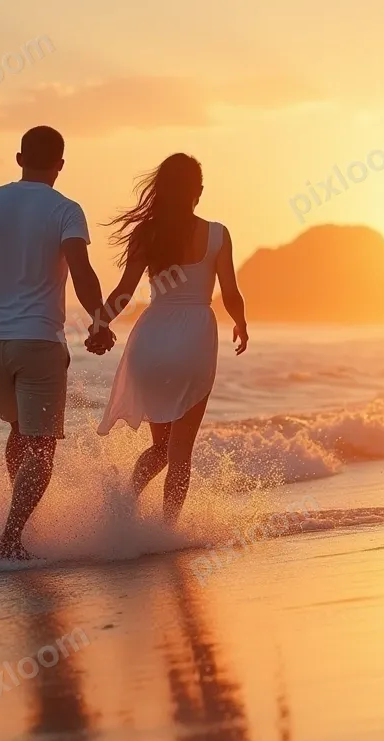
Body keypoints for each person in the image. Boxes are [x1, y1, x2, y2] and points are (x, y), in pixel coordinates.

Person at [0, 125, 114, 560]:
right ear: (61, 165)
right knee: (42, 445)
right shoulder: (66, 210)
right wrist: (99, 321)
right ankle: (10, 539)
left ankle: (16, 522)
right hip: (38, 344)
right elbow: (81, 270)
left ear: (18, 159)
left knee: (19, 432)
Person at [92, 153, 248, 522]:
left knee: (160, 448)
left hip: (151, 342)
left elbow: (124, 292)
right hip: (193, 341)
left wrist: (100, 323)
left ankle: (123, 511)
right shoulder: (217, 234)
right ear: (200, 190)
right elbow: (231, 292)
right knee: (180, 451)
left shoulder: (148, 233)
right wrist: (241, 324)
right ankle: (165, 531)